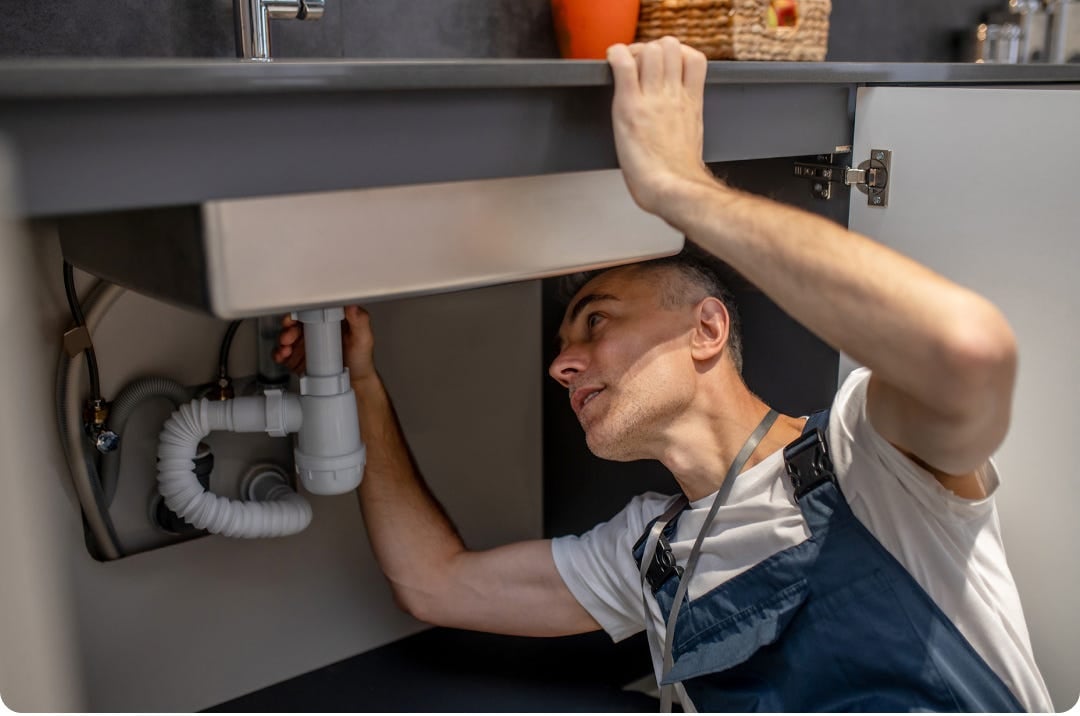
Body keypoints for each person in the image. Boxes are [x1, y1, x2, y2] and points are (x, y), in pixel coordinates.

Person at [275, 38, 1052, 712]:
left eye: (596, 319)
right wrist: (363, 386)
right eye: (562, 339)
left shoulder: (871, 462)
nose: (559, 362)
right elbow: (434, 584)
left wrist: (679, 187)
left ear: (706, 330)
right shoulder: (649, 555)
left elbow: (966, 349)